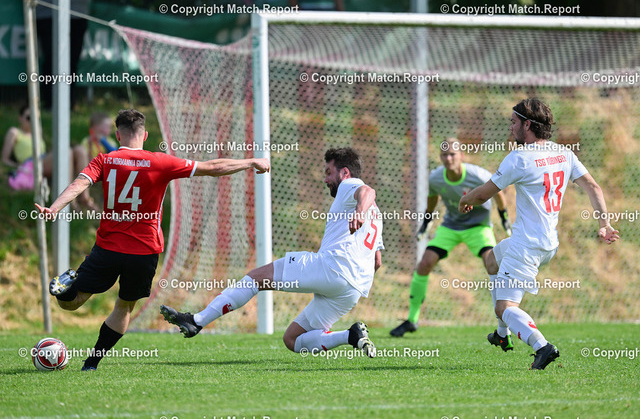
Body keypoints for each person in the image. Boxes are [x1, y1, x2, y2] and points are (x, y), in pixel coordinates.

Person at [35, 109, 270, 371]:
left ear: (117, 135)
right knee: (124, 307)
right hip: (144, 252)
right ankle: (91, 364)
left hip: (108, 248)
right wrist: (251, 161)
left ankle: (66, 286)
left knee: (71, 303)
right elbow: (213, 168)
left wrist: (54, 208)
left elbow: (80, 184)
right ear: (145, 135)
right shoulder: (161, 161)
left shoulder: (105, 160)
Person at [161, 147, 383, 357]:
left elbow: (367, 191)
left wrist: (359, 211)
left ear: (345, 172)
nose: (326, 180)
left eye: (328, 172)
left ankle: (197, 320)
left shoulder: (350, 185)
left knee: (255, 279)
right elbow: (377, 261)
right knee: (293, 340)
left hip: (333, 268)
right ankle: (351, 336)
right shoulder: (378, 216)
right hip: (353, 289)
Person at [459, 98, 619, 369]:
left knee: (504, 307)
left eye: (514, 122)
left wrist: (466, 200)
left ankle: (542, 347)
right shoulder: (564, 153)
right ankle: (501, 334)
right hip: (548, 244)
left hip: (526, 246)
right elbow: (594, 187)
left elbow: (484, 193)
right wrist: (604, 223)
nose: (510, 128)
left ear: (527, 125)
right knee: (492, 261)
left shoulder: (519, 158)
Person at [390, 138, 511, 338]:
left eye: (452, 154)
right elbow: (432, 199)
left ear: (461, 156)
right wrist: (426, 222)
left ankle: (504, 322)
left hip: (478, 227)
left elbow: (498, 193)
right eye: (444, 155)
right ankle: (412, 319)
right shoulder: (436, 178)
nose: (448, 158)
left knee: (492, 263)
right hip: (451, 226)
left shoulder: (478, 175)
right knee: (424, 264)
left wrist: (503, 217)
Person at [2, 105, 95, 209]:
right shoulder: (14, 132)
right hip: (30, 163)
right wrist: (18, 166)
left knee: (80, 150)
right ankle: (70, 199)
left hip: (43, 158)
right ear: (20, 118)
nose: (32, 121)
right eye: (29, 117)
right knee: (66, 152)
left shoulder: (37, 132)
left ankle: (85, 197)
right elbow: (5, 159)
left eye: (35, 118)